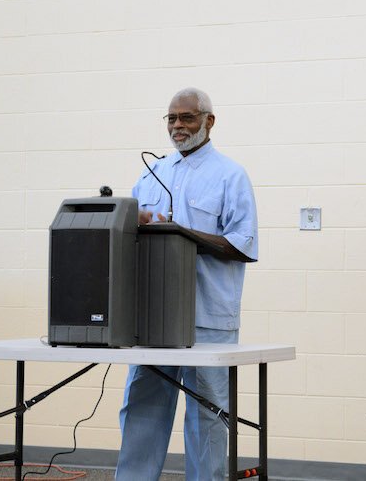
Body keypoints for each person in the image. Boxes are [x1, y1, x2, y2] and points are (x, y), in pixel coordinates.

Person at [116, 87, 258, 480]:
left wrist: (183, 232)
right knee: (142, 405)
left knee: (207, 414)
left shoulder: (230, 174)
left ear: (209, 121)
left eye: (187, 118)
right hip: (154, 317)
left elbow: (244, 245)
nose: (178, 126)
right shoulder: (152, 174)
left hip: (208, 315)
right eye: (172, 118)